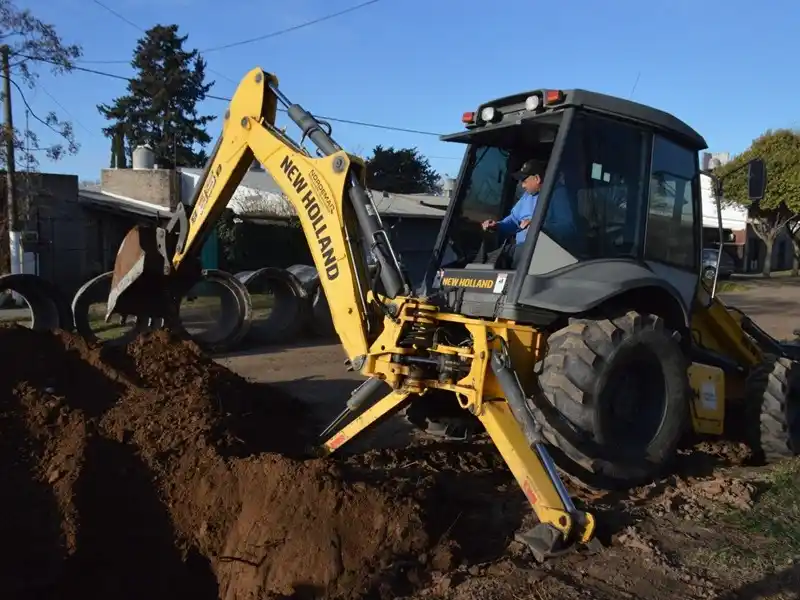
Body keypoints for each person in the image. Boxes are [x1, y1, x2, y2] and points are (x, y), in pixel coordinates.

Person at [481, 159, 575, 266]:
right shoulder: (527, 197)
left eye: (524, 181)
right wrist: (497, 226)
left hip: (542, 252)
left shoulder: (558, 195)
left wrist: (538, 226)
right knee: (487, 259)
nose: (522, 186)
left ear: (537, 179)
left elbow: (568, 228)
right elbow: (513, 220)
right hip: (521, 250)